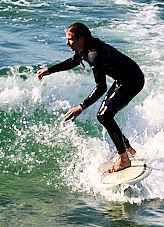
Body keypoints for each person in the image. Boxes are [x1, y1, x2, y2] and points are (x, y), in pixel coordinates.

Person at [38, 23, 145, 174]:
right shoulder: (84, 49)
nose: (67, 42)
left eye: (70, 39)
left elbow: (101, 86)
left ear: (81, 39)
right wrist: (50, 70)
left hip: (133, 80)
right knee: (104, 116)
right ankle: (128, 150)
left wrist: (81, 106)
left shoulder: (94, 53)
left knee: (105, 115)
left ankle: (124, 159)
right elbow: (74, 61)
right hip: (124, 79)